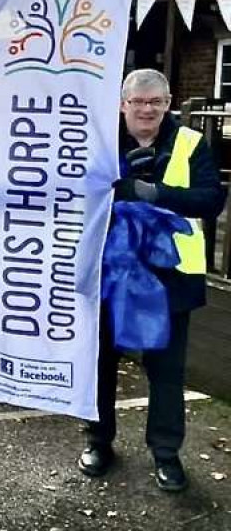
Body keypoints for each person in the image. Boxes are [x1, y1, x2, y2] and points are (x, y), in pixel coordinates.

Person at [77, 69, 225, 492]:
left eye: (155, 102)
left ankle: (166, 454)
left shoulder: (191, 143)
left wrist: (152, 193)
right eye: (138, 102)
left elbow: (211, 199)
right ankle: (98, 440)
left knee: (166, 371)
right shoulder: (100, 142)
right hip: (110, 271)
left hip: (171, 276)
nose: (146, 109)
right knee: (100, 363)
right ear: (123, 103)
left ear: (168, 102)